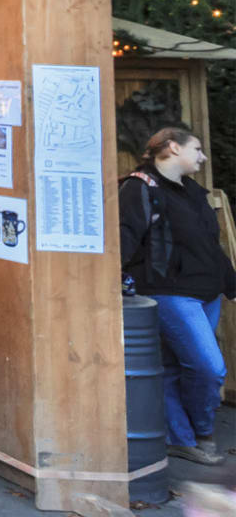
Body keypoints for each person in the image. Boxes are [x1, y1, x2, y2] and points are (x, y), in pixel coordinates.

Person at [121, 126, 236, 465]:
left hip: (206, 292)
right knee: (209, 367)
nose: (202, 156)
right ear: (172, 148)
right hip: (169, 292)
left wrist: (231, 285)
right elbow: (125, 238)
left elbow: (209, 246)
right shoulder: (138, 188)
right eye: (197, 149)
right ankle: (202, 431)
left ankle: (179, 438)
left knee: (172, 367)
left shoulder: (193, 191)